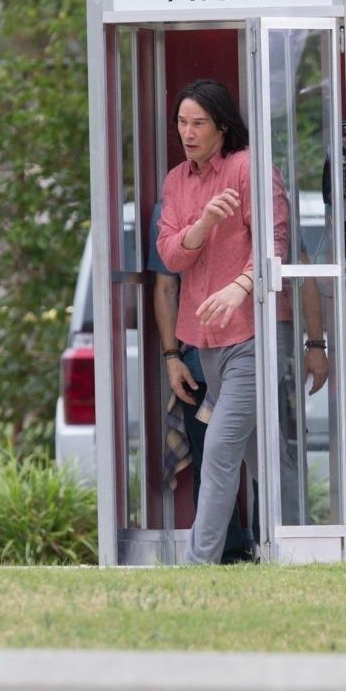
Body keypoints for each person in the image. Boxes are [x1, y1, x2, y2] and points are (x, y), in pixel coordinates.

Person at [156, 78, 325, 564]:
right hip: (204, 340)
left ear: (222, 127)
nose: (187, 133)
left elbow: (275, 245)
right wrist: (206, 222)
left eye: (198, 123)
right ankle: (302, 548)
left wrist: (240, 287)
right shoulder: (176, 182)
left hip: (256, 334)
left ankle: (198, 562)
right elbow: (171, 255)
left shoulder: (251, 169)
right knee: (264, 453)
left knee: (220, 450)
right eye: (182, 123)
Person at [148, 200, 251, 562]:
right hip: (196, 358)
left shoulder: (252, 199)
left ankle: (277, 543)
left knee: (262, 454)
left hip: (251, 351)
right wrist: (172, 357)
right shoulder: (169, 208)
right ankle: (228, 552)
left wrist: (313, 344)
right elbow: (164, 287)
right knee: (211, 454)